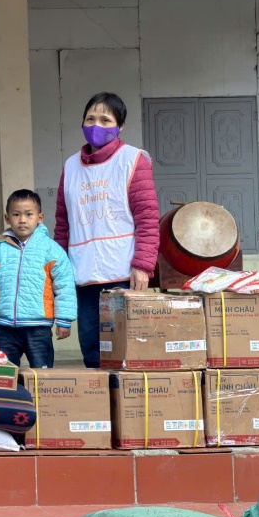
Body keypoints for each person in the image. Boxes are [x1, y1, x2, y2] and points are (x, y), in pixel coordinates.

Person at [53, 92, 159, 368]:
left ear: (120, 126)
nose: (96, 125)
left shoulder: (133, 160)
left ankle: (124, 397)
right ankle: (99, 395)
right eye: (90, 119)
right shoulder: (71, 166)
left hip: (123, 273)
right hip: (82, 274)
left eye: (105, 120)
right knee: (91, 350)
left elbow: (148, 218)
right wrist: (58, 270)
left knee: (124, 352)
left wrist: (143, 266)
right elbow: (63, 223)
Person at [0, 190, 76, 368]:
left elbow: (64, 286)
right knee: (7, 374)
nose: (22, 220)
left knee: (42, 375)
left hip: (39, 327)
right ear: (7, 218)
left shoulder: (51, 250)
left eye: (29, 214)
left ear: (40, 218)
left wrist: (64, 320)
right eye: (16, 214)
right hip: (6, 328)